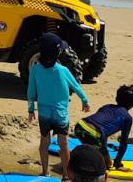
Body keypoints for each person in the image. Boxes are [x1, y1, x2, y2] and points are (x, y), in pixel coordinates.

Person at [27, 32, 90, 179]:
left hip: (44, 113)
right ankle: (66, 176)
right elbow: (76, 86)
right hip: (60, 114)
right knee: (63, 143)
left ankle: (45, 172)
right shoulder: (63, 70)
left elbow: (31, 91)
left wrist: (31, 109)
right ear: (57, 53)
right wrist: (85, 101)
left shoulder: (35, 69)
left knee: (45, 141)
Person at [74, 84, 133, 172]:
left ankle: (76, 156)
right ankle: (74, 157)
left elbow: (102, 130)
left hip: (80, 126)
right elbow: (123, 142)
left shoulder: (107, 106)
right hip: (93, 134)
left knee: (94, 150)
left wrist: (104, 150)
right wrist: (117, 164)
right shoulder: (127, 118)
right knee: (107, 164)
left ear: (117, 98)